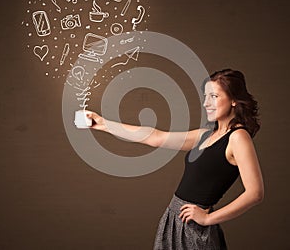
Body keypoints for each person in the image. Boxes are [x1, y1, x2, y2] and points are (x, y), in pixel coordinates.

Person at [85, 69, 264, 250]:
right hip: (174, 220)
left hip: (194, 228)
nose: (206, 103)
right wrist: (103, 124)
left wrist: (208, 218)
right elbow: (155, 137)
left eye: (214, 96)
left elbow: (255, 193)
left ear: (234, 100)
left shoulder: (238, 137)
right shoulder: (206, 135)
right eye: (205, 96)